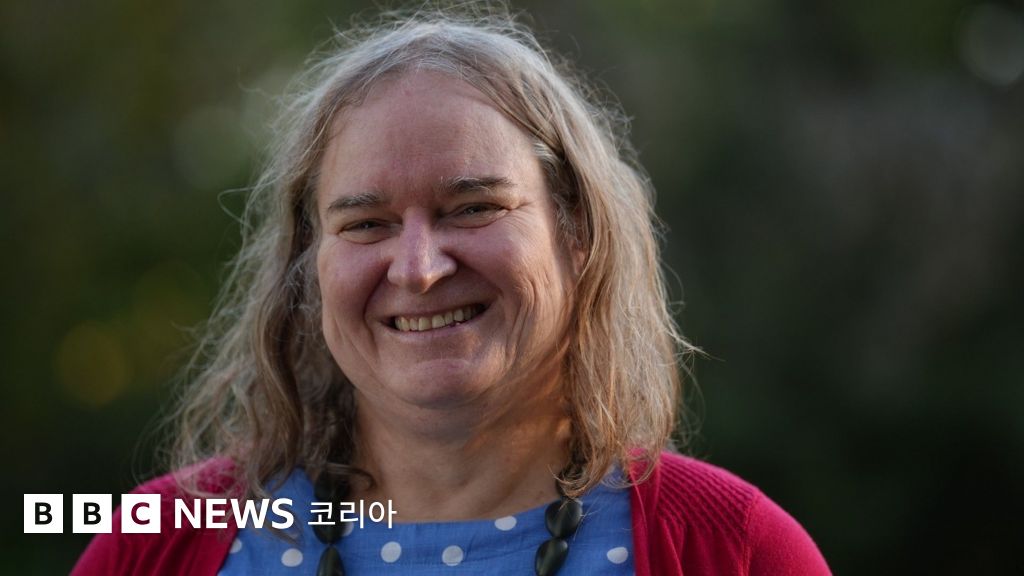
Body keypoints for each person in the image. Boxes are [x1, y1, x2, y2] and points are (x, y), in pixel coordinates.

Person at [72, 5, 830, 576]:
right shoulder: (155, 542)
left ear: (578, 233)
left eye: (473, 208)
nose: (418, 268)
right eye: (365, 224)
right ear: (309, 264)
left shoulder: (737, 550)